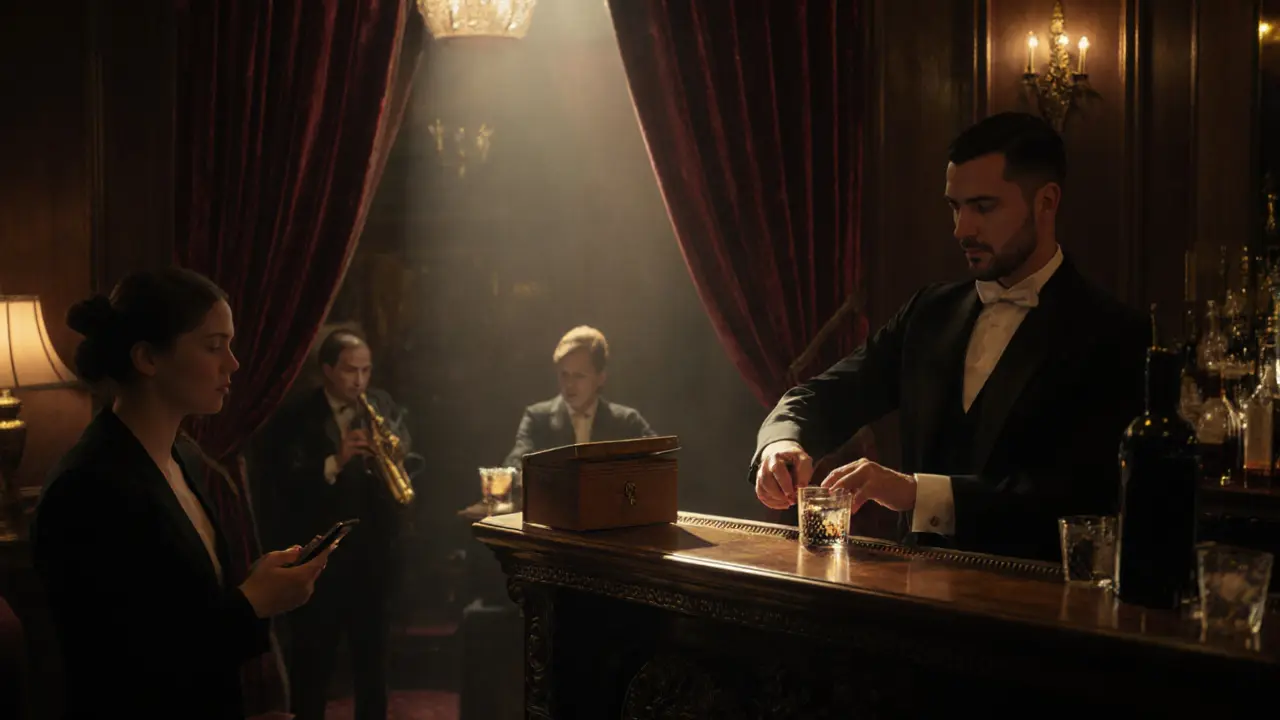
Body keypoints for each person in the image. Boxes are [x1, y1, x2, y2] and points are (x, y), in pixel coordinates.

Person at [752, 112, 1150, 562]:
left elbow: (1077, 499)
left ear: (1046, 202)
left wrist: (914, 492)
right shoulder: (929, 312)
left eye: (983, 207)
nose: (962, 229)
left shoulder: (1114, 333)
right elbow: (825, 395)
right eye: (955, 207)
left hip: (1040, 606)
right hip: (915, 596)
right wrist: (782, 443)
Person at [33, 268, 336, 719]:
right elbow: (123, 667)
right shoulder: (87, 488)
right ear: (148, 359)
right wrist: (251, 601)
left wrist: (251, 582)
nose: (232, 363)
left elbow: (179, 613)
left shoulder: (185, 457)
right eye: (213, 346)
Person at [262, 330, 411, 720]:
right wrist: (336, 460)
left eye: (366, 370)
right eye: (350, 370)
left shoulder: (382, 405)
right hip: (321, 560)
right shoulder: (297, 415)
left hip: (373, 557)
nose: (360, 380)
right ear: (327, 370)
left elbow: (408, 452)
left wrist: (396, 449)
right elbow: (284, 481)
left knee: (373, 665)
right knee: (313, 663)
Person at [504, 325, 656, 467]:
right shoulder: (537, 419)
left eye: (579, 376)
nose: (569, 384)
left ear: (600, 378)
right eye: (564, 375)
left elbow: (660, 463)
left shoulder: (627, 422)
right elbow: (514, 466)